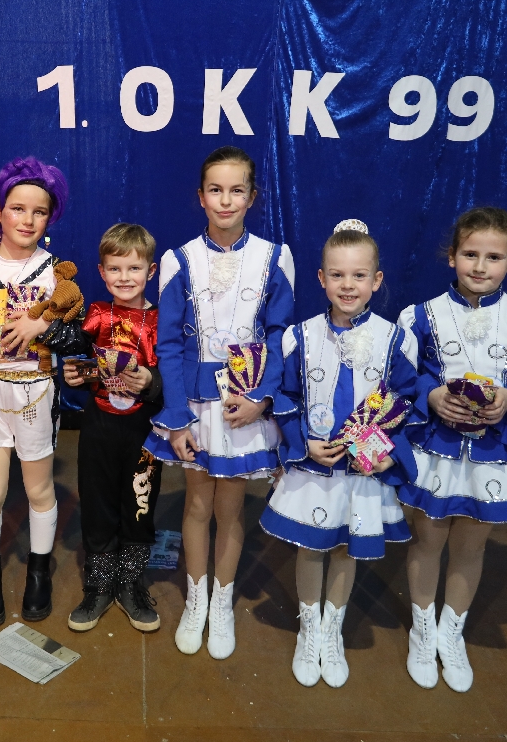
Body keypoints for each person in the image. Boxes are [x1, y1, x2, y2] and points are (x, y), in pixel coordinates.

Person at [397, 206, 507, 693]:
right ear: (451, 256)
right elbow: (400, 377)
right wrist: (431, 395)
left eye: (494, 257)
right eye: (470, 254)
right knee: (428, 540)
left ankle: (451, 632)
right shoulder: (420, 316)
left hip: (494, 452)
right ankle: (422, 631)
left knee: (471, 545)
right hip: (436, 448)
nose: (480, 266)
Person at [144, 146, 295, 660]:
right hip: (195, 406)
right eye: (215, 190)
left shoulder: (274, 257)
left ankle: (222, 601)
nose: (225, 200)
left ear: (252, 197)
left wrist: (261, 398)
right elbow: (168, 343)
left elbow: (278, 335)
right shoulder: (180, 259)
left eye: (236, 190)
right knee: (196, 504)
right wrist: (176, 417)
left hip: (244, 404)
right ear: (200, 197)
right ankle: (197, 599)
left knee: (230, 508)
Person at [259, 220, 421, 688]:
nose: (347, 285)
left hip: (363, 473)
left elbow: (407, 402)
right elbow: (286, 398)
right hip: (316, 467)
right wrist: (302, 442)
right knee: (312, 548)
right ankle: (309, 628)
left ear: (377, 280)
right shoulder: (300, 337)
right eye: (337, 274)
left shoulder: (396, 339)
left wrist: (388, 452)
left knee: (348, 548)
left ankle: (332, 629)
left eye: (358, 275)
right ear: (321, 278)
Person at [0, 157, 85, 626]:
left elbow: (80, 338)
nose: (27, 220)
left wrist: (41, 327)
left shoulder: (57, 274)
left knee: (38, 489)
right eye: (17, 208)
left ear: (50, 218)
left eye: (39, 211)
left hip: (34, 394)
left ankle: (39, 571)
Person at [61, 223, 163, 633]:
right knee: (98, 501)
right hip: (99, 427)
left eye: (133, 268)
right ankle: (100, 584)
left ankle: (130, 583)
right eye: (115, 269)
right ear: (102, 272)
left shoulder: (161, 320)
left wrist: (151, 382)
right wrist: (73, 376)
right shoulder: (98, 314)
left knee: (140, 502)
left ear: (150, 271)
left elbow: (171, 374)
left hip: (144, 431)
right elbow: (79, 359)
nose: (124, 277)